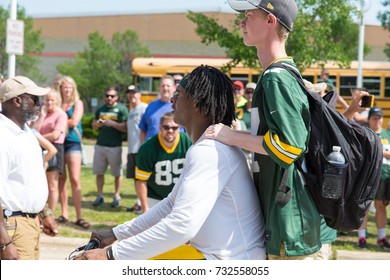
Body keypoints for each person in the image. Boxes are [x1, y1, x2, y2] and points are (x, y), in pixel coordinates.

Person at [73, 65, 265, 260]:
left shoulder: (210, 151)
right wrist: (115, 234)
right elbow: (170, 206)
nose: (172, 100)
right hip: (217, 255)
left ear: (197, 103)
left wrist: (110, 255)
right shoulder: (208, 147)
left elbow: (181, 225)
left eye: (179, 94)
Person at [205, 0, 323, 259]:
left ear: (271, 21)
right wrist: (239, 137)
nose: (242, 22)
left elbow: (289, 147)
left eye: (249, 15)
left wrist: (229, 135)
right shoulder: (283, 74)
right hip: (284, 226)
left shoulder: (276, 78)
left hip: (288, 231)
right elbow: (275, 139)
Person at [0, 76, 58, 260]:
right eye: (34, 99)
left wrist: (44, 211)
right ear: (17, 100)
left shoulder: (26, 133)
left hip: (30, 223)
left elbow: (29, 179)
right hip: (12, 227)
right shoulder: (3, 137)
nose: (39, 104)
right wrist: (5, 242)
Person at [135, 112, 191, 213]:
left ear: (179, 128)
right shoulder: (147, 148)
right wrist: (145, 207)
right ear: (160, 128)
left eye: (174, 128)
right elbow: (140, 181)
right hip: (155, 197)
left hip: (181, 196)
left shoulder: (189, 142)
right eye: (166, 127)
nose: (170, 130)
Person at [56, 76, 89, 228]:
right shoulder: (57, 103)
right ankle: (64, 213)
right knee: (61, 178)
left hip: (73, 142)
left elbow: (74, 121)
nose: (68, 90)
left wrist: (59, 122)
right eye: (65, 87)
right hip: (59, 142)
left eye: (70, 87)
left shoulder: (78, 103)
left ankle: (79, 215)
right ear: (61, 89)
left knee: (75, 179)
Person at [357, 107, 390, 250]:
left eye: (380, 118)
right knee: (364, 208)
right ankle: (362, 238)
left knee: (381, 207)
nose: (378, 120)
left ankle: (381, 238)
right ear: (369, 120)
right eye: (374, 118)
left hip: (384, 175)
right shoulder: (364, 134)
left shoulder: (387, 134)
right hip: (367, 177)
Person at [91, 87, 128, 208]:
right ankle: (99, 195)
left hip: (115, 146)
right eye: (107, 95)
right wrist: (98, 124)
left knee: (117, 173)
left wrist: (113, 124)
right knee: (99, 172)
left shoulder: (122, 109)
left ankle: (117, 196)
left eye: (112, 96)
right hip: (100, 144)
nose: (109, 98)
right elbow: (94, 125)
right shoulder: (101, 109)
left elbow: (125, 127)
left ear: (117, 97)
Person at [33, 89, 68, 212]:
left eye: (52, 100)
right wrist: (42, 116)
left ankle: (51, 213)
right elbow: (34, 129)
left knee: (52, 185)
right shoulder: (40, 113)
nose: (49, 102)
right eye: (47, 100)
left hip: (54, 149)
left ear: (57, 101)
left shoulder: (61, 115)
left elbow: (55, 135)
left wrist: (37, 137)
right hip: (39, 148)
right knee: (39, 182)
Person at [125, 85, 148, 213]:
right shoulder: (131, 111)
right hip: (131, 149)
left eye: (134, 93)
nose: (131, 95)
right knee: (136, 178)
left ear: (139, 94)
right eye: (129, 93)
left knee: (142, 178)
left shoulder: (144, 108)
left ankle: (142, 203)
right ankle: (139, 201)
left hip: (140, 148)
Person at [139, 75, 177, 143]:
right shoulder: (151, 106)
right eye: (163, 86)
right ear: (159, 88)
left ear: (174, 88)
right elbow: (143, 130)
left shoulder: (179, 106)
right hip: (152, 150)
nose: (165, 88)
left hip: (174, 150)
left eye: (168, 86)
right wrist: (143, 147)